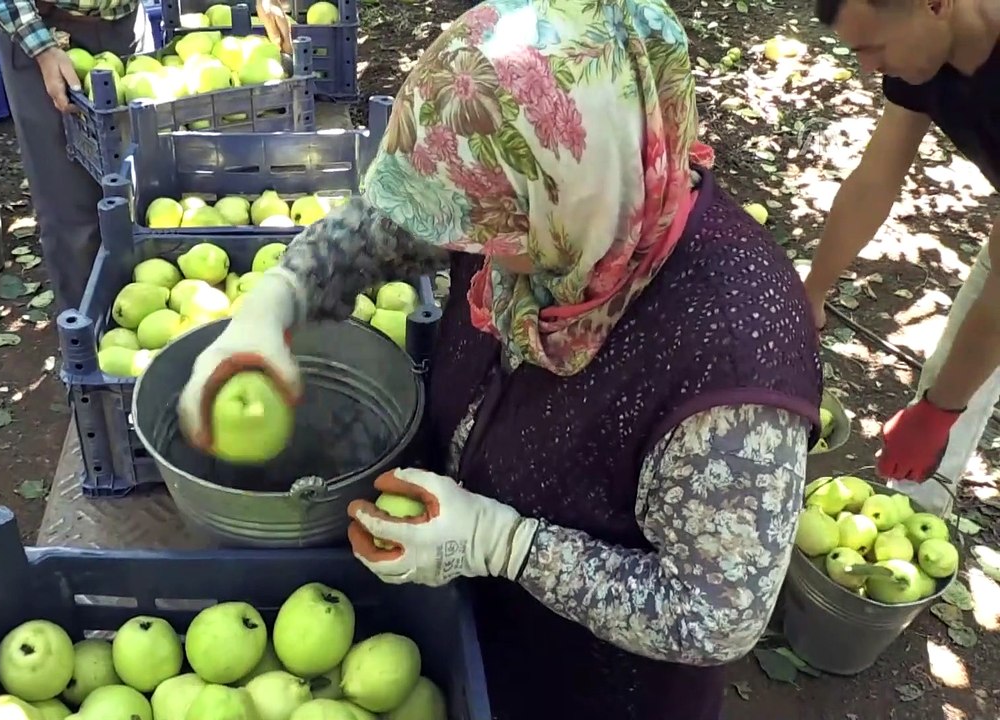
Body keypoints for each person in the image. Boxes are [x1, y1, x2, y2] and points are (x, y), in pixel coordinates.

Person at [175, 0, 823, 716]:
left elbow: (713, 614)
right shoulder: (555, 205)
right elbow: (407, 216)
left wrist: (509, 546)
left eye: (491, 227)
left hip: (591, 685)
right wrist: (280, 298)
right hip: (456, 611)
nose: (471, 247)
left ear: (566, 186)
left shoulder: (732, 357)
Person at [805, 0, 999, 513]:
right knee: (961, 361)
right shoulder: (925, 54)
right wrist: (814, 290)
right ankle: (910, 515)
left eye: (875, 48)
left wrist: (938, 413)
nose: (869, 68)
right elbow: (876, 178)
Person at [0, 0, 142, 313]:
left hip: (122, 21)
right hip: (41, 30)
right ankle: (87, 336)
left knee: (139, 190)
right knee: (70, 205)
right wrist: (43, 49)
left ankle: (139, 312)